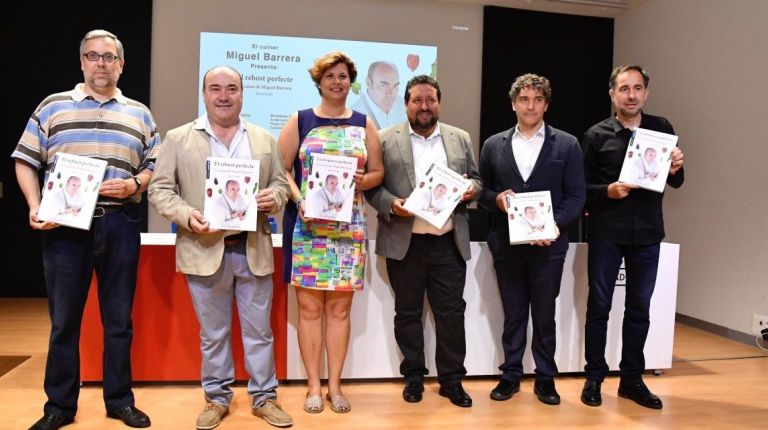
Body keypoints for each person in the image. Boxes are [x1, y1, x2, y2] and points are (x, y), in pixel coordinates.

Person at [12, 29, 157, 430]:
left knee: (118, 320)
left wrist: (134, 184)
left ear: (121, 64)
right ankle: (59, 407)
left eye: (109, 57)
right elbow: (25, 158)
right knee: (63, 322)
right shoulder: (53, 106)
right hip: (65, 227)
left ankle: (119, 401)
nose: (100, 63)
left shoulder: (140, 113)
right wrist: (35, 204)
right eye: (92, 56)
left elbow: (155, 164)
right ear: (81, 62)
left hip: (120, 223)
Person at [148, 65, 293, 429]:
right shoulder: (179, 139)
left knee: (259, 332)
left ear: (243, 93)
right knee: (213, 335)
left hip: (253, 248)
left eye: (231, 88)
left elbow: (280, 186)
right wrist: (187, 214)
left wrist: (271, 199)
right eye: (215, 89)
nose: (224, 96)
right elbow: (160, 190)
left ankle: (264, 398)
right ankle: (216, 398)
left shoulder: (263, 139)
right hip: (203, 248)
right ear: (204, 94)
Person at [366, 75, 482, 408]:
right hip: (406, 242)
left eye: (430, 99)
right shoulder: (386, 138)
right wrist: (391, 204)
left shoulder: (459, 138)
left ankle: (451, 381)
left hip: (448, 241)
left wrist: (473, 190)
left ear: (439, 103)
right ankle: (414, 377)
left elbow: (475, 179)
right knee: (407, 313)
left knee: (451, 314)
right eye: (417, 100)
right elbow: (373, 187)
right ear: (406, 104)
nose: (424, 106)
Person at [277, 51, 383, 414]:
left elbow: (377, 174)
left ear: (350, 81)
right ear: (319, 82)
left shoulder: (365, 123)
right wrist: (299, 198)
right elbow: (282, 171)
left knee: (339, 311)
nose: (336, 82)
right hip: (308, 228)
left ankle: (335, 386)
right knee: (308, 310)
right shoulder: (301, 120)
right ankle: (312, 386)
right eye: (329, 77)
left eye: (342, 76)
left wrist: (361, 180)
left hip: (347, 230)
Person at [581, 65, 685, 410]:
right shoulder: (596, 135)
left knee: (639, 309)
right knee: (599, 307)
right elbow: (580, 189)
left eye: (637, 88)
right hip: (606, 233)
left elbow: (677, 181)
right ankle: (594, 377)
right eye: (624, 88)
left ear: (646, 93)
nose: (631, 94)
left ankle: (631, 380)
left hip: (647, 233)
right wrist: (607, 191)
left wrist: (676, 167)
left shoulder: (662, 129)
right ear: (612, 93)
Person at [478, 73, 585, 406]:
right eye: (524, 99)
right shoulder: (494, 144)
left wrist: (553, 226)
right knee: (513, 314)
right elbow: (482, 192)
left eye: (538, 99)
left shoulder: (567, 144)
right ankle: (510, 375)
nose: (531, 105)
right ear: (513, 104)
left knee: (543, 314)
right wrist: (495, 199)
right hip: (506, 246)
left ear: (546, 104)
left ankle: (545, 378)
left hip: (549, 247)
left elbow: (577, 196)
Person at [350, 61, 406, 129]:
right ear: (368, 83)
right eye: (384, 85)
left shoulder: (404, 105)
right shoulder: (353, 117)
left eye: (395, 86)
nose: (391, 93)